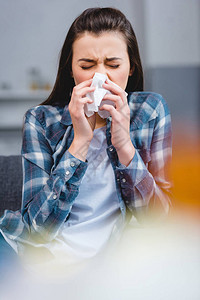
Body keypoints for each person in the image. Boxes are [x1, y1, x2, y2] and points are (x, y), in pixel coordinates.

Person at [0, 7, 172, 270]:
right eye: (86, 65)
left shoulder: (151, 110)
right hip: (38, 252)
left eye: (113, 65)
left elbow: (162, 222)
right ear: (71, 70)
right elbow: (37, 228)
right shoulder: (41, 120)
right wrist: (79, 142)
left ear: (131, 68)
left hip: (115, 258)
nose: (99, 77)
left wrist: (124, 144)